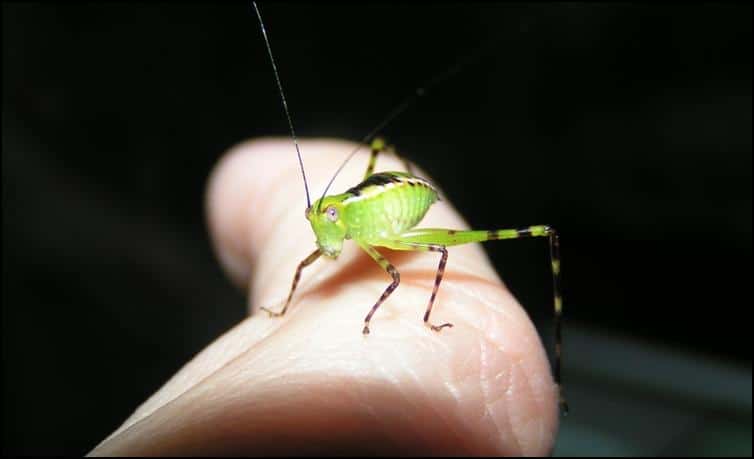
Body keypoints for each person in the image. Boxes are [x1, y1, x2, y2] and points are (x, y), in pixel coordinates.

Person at [89, 138, 559, 456]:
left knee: (515, 237)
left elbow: (396, 279)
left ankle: (560, 359)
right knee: (305, 261)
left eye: (327, 219)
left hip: (401, 208)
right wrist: (282, 305)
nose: (322, 231)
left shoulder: (370, 233)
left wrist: (423, 319)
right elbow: (310, 254)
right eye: (321, 221)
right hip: (374, 198)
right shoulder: (332, 220)